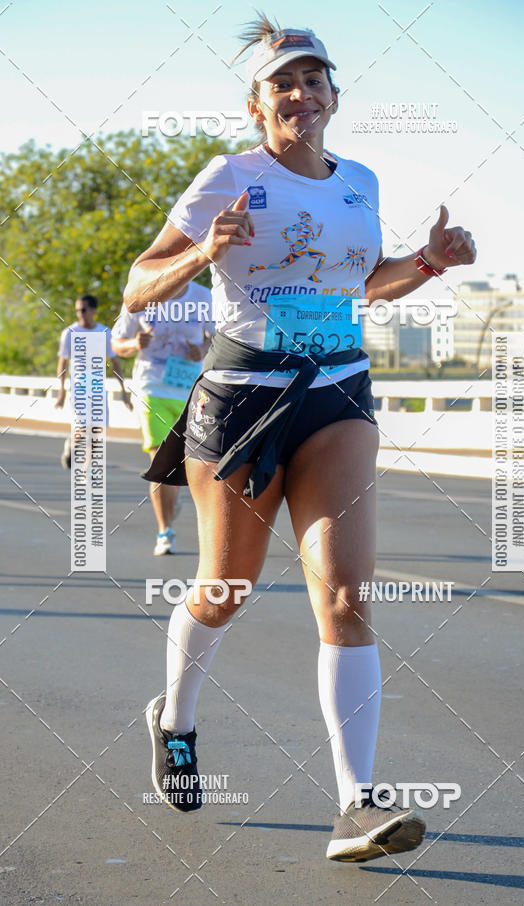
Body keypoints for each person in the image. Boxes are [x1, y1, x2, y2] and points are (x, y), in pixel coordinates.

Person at [123, 15, 476, 862]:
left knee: (349, 596)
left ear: (332, 99)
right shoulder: (225, 177)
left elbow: (367, 284)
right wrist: (202, 252)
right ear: (258, 104)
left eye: (314, 81)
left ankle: (356, 803)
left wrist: (427, 262)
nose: (300, 94)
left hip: (337, 396)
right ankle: (174, 718)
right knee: (226, 589)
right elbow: (139, 286)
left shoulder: (359, 179)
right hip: (242, 401)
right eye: (283, 82)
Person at [111, 281, 214, 555]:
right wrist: (134, 343)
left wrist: (202, 350)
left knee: (192, 465)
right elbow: (116, 343)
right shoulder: (139, 295)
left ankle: (171, 498)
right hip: (152, 388)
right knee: (160, 462)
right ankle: (165, 531)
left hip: (192, 391)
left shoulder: (203, 297)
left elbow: (219, 336)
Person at [55, 294, 132, 468]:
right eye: (77, 310)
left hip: (97, 389)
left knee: (97, 431)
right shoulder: (70, 333)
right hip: (79, 388)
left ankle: (86, 469)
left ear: (93, 310)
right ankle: (71, 444)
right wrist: (61, 391)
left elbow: (115, 363)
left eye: (83, 309)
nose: (79, 313)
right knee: (83, 430)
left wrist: (124, 391)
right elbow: (62, 362)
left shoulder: (104, 333)